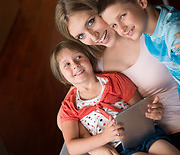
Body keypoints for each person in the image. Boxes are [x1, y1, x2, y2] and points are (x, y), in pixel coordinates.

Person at [55, 0, 180, 153]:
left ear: (101, 8)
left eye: (91, 21)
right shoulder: (93, 63)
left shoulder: (142, 26)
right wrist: (95, 147)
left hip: (170, 131)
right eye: (81, 36)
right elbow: (64, 116)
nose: (93, 36)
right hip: (135, 138)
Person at [50, 40, 180, 155]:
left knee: (166, 149)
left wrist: (151, 111)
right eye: (66, 64)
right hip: (119, 149)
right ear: (62, 77)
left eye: (79, 57)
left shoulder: (114, 80)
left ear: (89, 59)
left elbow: (139, 107)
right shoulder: (69, 106)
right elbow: (72, 147)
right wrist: (104, 138)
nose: (75, 64)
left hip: (144, 134)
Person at [98, 0, 180, 99]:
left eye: (122, 16)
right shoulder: (149, 31)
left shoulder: (174, 36)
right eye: (114, 25)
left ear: (142, 1)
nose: (122, 28)